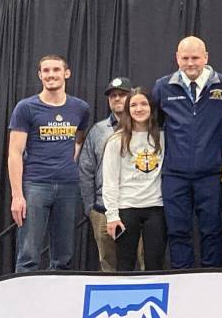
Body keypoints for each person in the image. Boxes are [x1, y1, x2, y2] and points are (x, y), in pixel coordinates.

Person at [153, 36, 222, 268]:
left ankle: (211, 279)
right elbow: (156, 126)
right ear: (177, 58)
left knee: (211, 230)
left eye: (195, 58)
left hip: (211, 174)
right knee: (178, 231)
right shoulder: (162, 87)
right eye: (185, 58)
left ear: (206, 58)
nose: (191, 63)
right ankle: (182, 280)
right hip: (175, 174)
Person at [8, 54, 90, 272]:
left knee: (64, 257)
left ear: (66, 73)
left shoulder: (80, 108)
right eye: (46, 71)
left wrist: (67, 162)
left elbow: (78, 139)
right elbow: (15, 153)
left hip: (68, 186)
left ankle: (58, 303)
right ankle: (25, 303)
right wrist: (17, 195)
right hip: (35, 185)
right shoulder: (26, 108)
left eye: (55, 70)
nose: (51, 75)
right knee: (28, 255)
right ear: (40, 75)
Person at [102, 88, 166, 272]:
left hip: (156, 208)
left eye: (144, 104)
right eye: (134, 105)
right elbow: (110, 181)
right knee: (125, 264)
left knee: (155, 263)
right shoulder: (117, 141)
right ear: (128, 109)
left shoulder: (163, 137)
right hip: (126, 209)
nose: (139, 109)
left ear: (151, 107)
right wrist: (112, 216)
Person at [79, 76, 131, 272]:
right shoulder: (98, 131)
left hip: (137, 205)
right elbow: (85, 169)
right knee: (108, 264)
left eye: (122, 95)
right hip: (103, 209)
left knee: (142, 262)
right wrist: (90, 208)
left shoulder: (143, 127)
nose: (117, 99)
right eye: (113, 96)